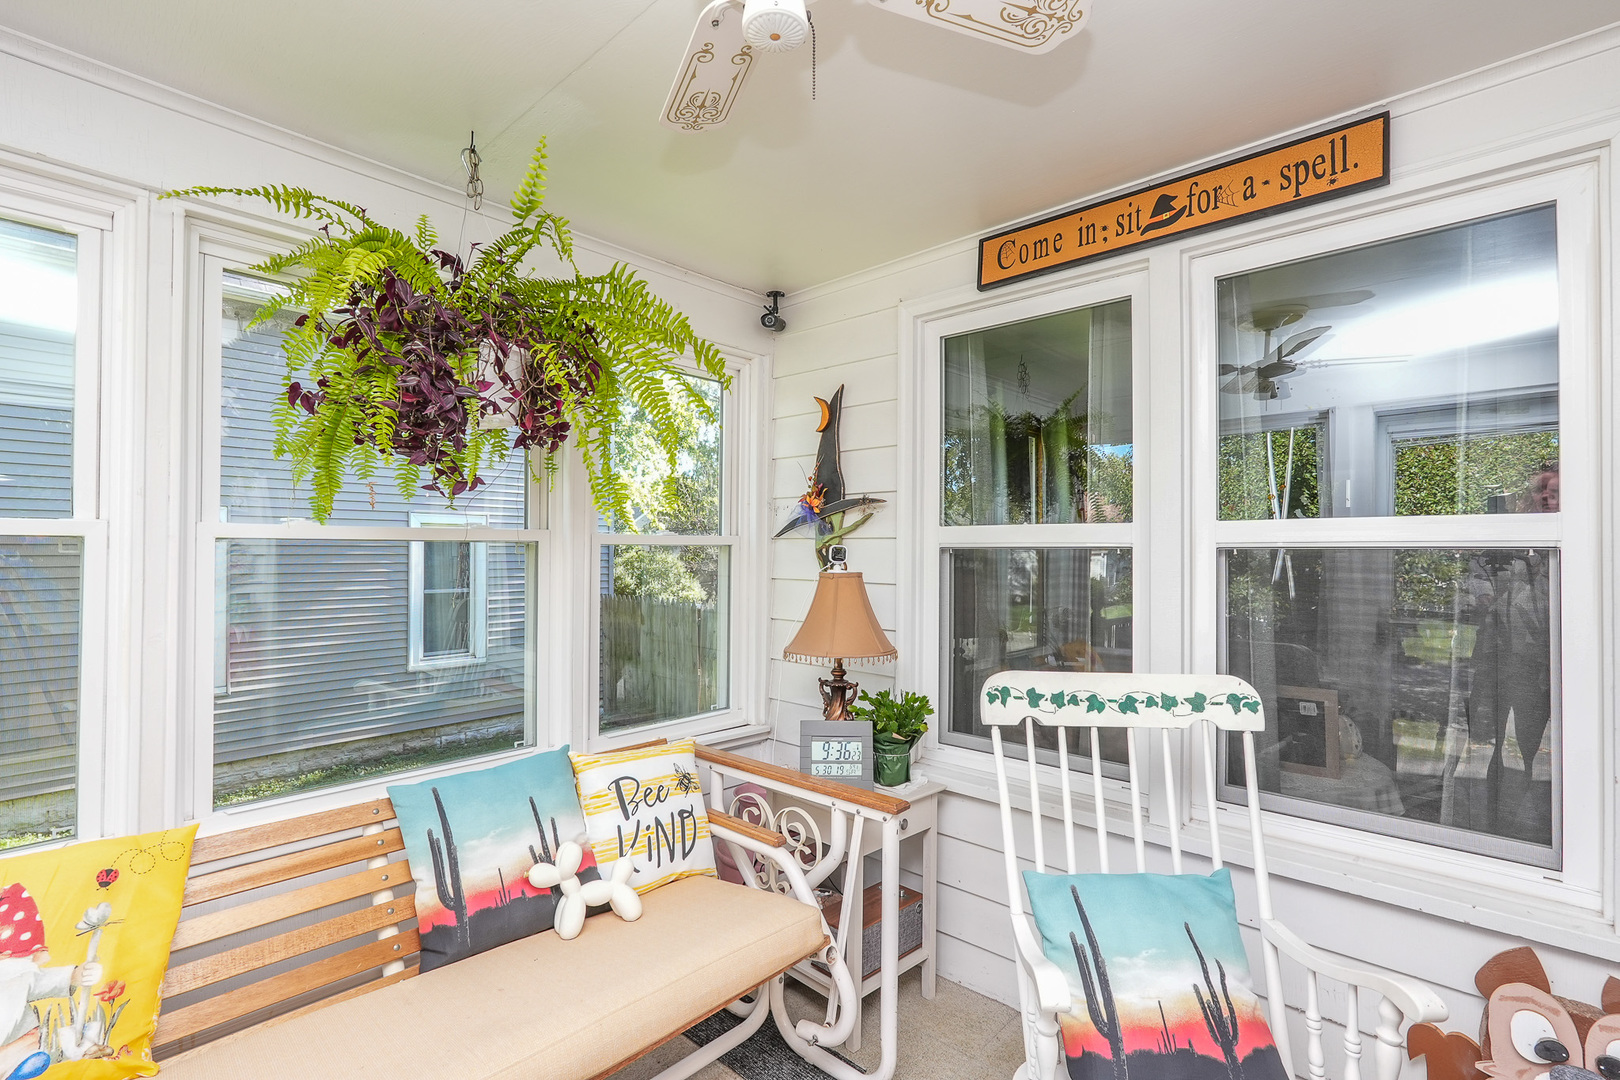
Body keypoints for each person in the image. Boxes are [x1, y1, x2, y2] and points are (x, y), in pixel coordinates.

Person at [0, 884, 102, 1080]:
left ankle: (17, 1066)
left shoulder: (23, 974)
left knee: (25, 1047)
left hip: (19, 1038)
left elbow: (44, 980)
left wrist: (75, 975)